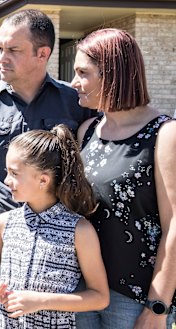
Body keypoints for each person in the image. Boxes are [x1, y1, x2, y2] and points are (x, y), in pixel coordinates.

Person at [0, 9, 96, 328]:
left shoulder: (76, 105)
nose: (2, 57)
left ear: (43, 54)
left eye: (13, 50)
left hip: (60, 269)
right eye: (0, 48)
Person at [72, 28, 176, 328]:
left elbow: (173, 227)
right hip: (82, 290)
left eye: (83, 72)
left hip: (133, 298)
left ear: (113, 74)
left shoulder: (164, 134)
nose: (74, 82)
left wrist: (157, 306)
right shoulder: (87, 131)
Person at [0, 125, 109, 328]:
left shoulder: (79, 231)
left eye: (14, 173)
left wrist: (41, 301)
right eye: (7, 171)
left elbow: (99, 297)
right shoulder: (2, 224)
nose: (6, 180)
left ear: (43, 180)